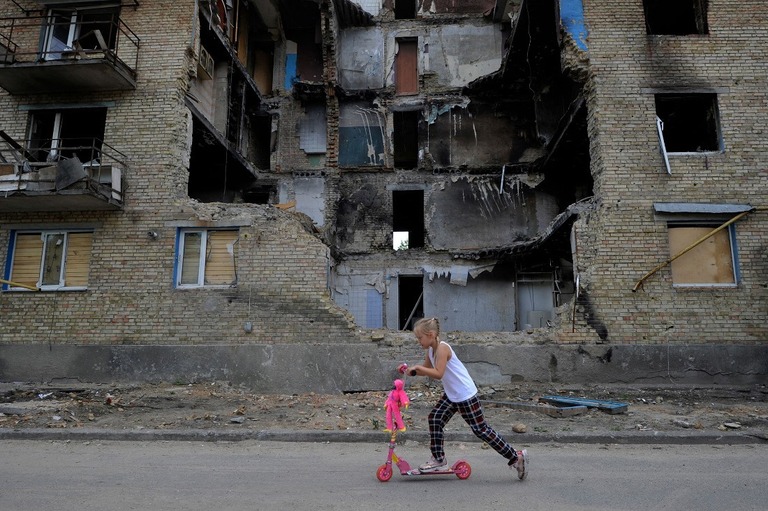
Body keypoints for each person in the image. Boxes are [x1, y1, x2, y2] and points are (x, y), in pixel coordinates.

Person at [406, 317, 527, 480]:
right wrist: (412, 370)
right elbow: (427, 370)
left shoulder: (442, 348)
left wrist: (419, 368)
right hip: (452, 395)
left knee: (481, 430)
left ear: (431, 334)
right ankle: (439, 460)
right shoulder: (430, 350)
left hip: (465, 395)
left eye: (420, 337)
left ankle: (515, 457)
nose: (418, 341)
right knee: (435, 418)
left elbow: (438, 373)